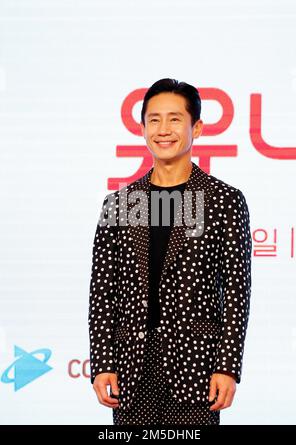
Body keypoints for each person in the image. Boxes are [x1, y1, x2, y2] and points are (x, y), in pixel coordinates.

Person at [88, 78, 252, 425]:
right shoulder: (119, 204)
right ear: (143, 127)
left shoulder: (223, 201)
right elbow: (102, 292)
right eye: (154, 119)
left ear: (198, 128)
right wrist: (102, 362)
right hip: (131, 367)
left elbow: (237, 290)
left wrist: (227, 366)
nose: (164, 130)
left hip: (197, 368)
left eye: (175, 119)